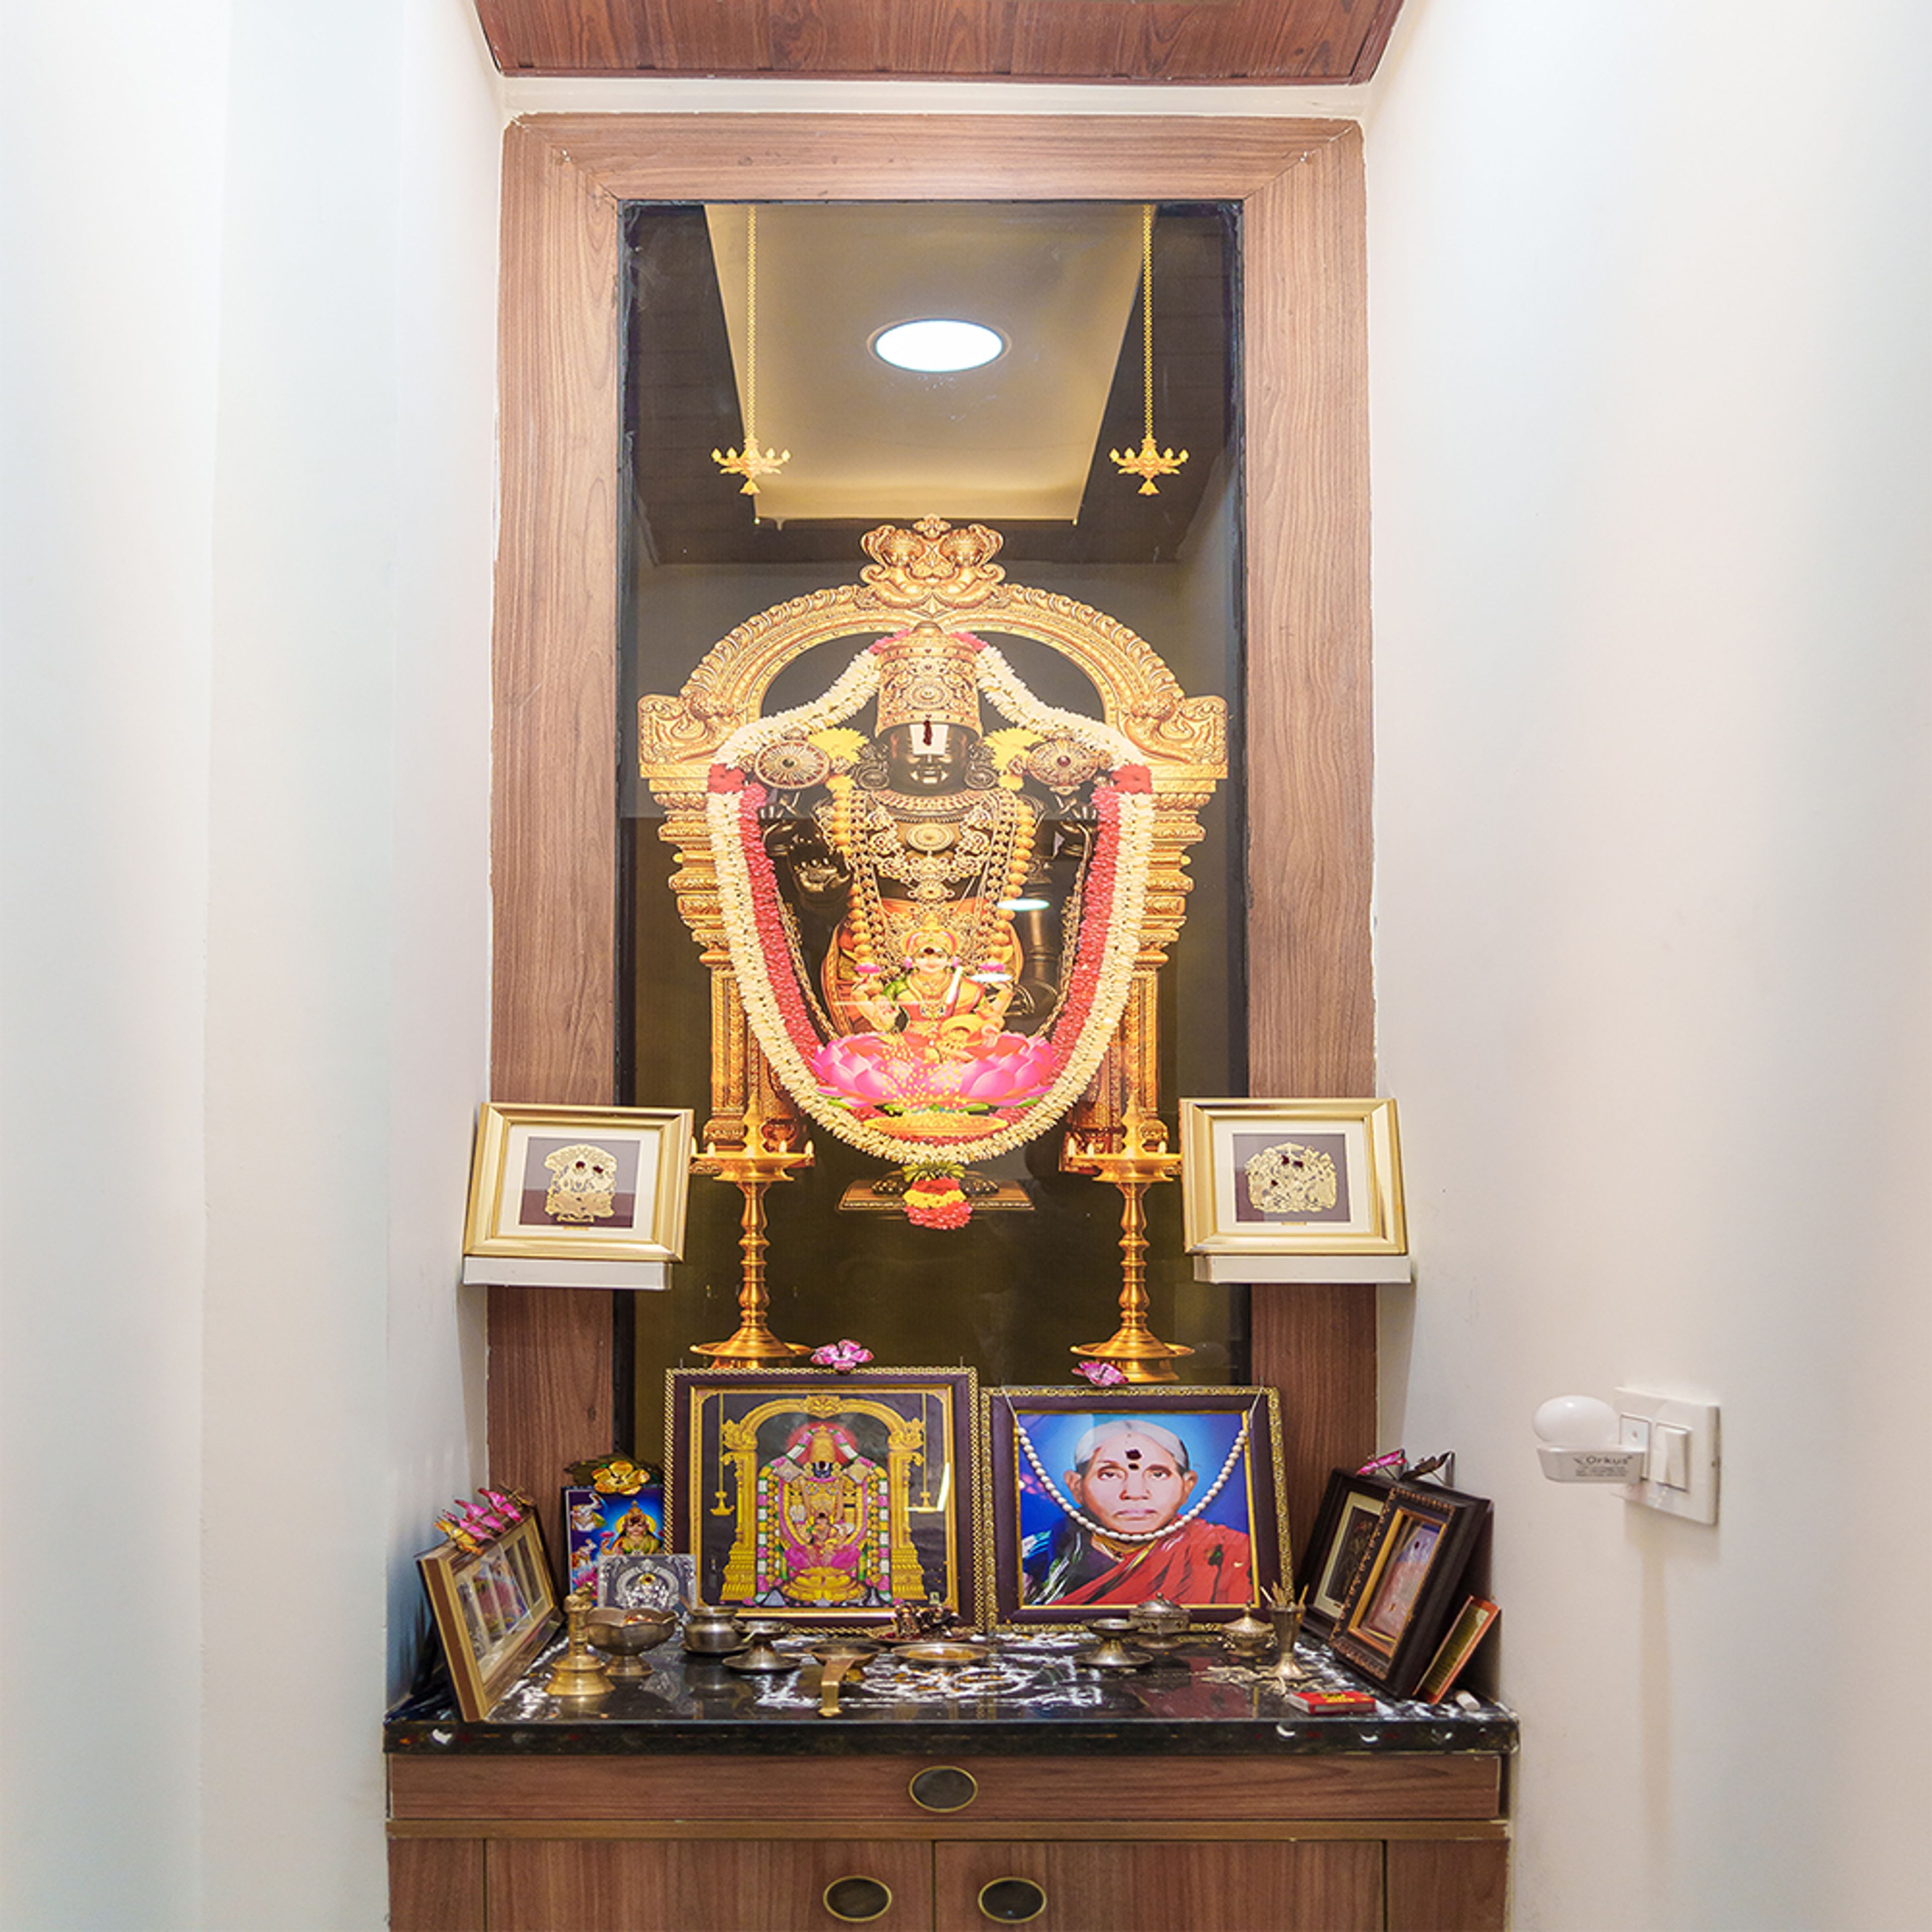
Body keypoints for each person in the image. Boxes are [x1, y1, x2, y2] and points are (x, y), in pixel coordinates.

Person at [1022, 1418, 1252, 1607]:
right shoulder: (1035, 1558)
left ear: (1187, 1485)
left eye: (1158, 1474)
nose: (1135, 1493)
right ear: (1076, 1486)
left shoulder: (1229, 1552)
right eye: (1110, 1474)